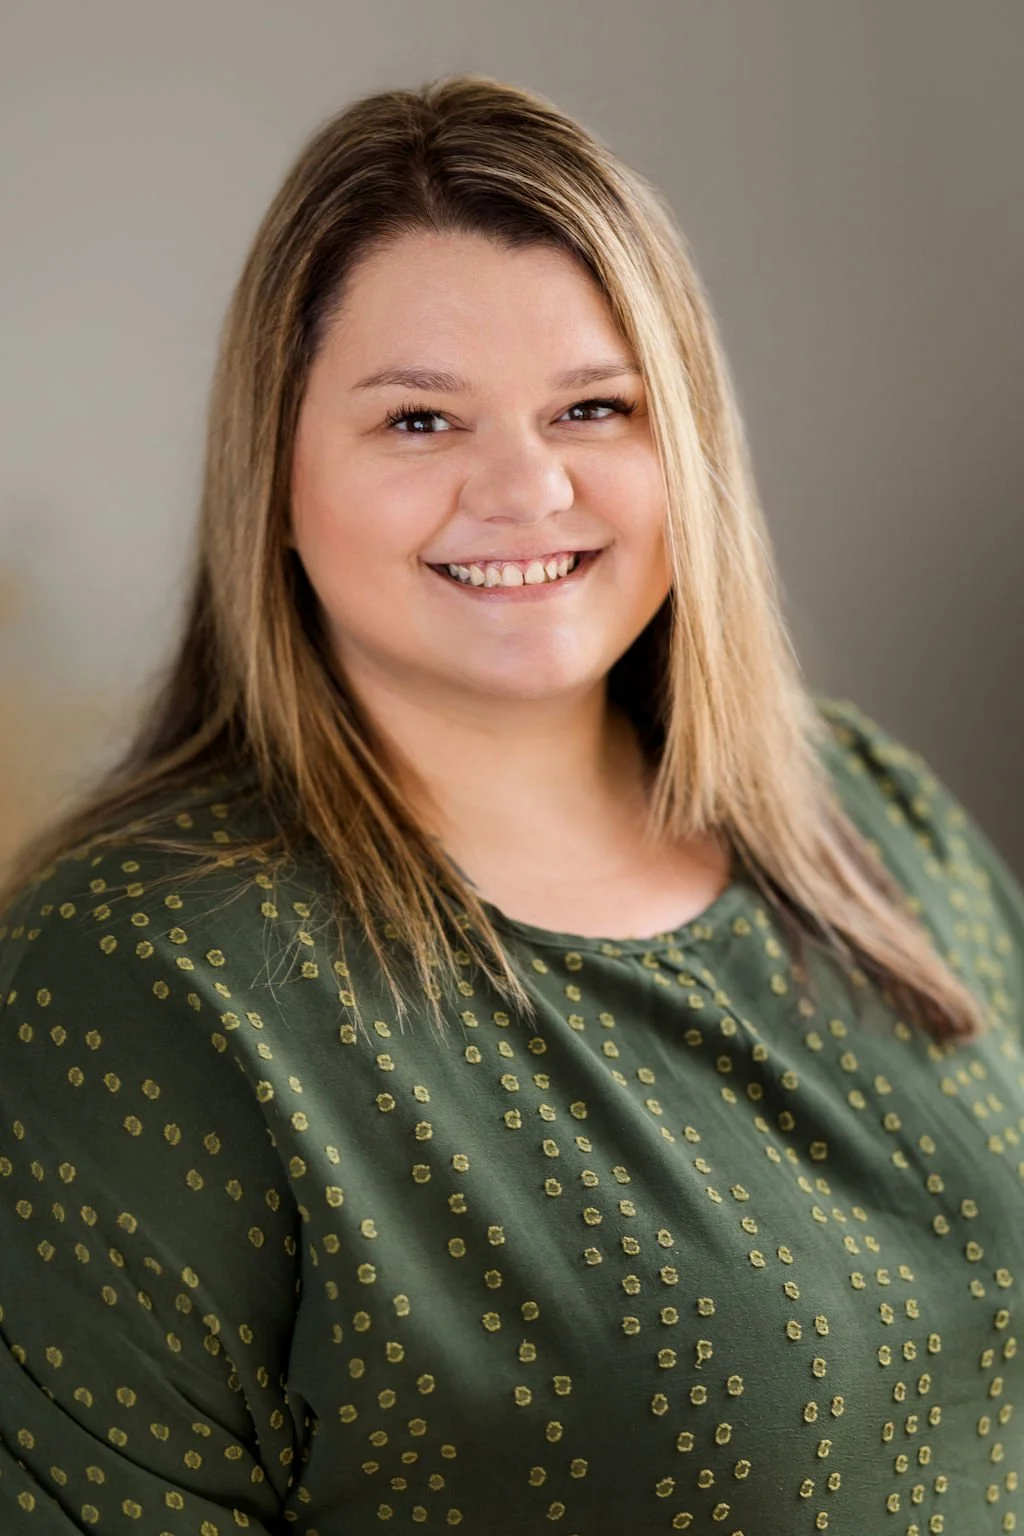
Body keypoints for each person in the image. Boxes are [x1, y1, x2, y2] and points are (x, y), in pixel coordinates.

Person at [1, 73, 1021, 1536]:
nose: (526, 488)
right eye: (420, 423)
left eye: (594, 407)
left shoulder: (864, 808)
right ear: (274, 475)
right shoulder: (134, 987)